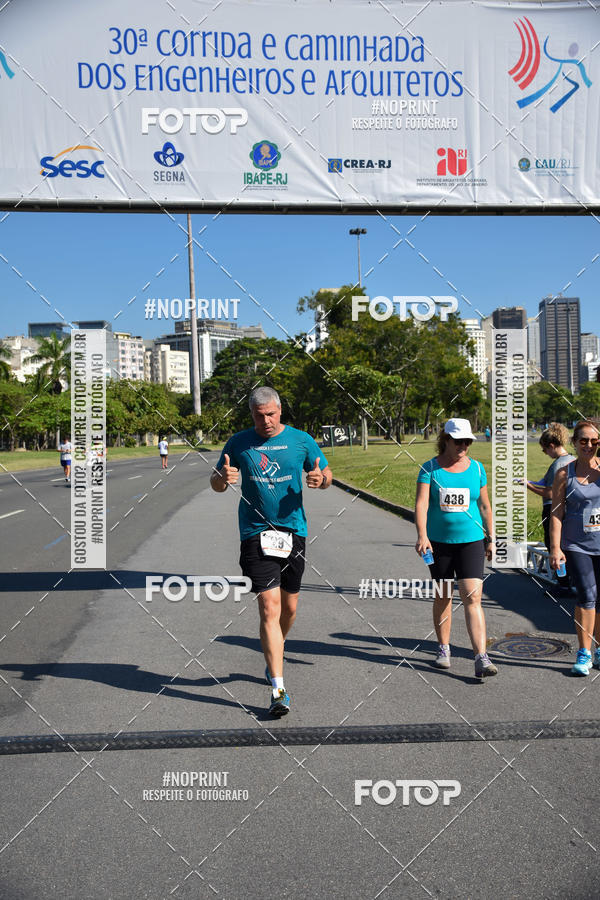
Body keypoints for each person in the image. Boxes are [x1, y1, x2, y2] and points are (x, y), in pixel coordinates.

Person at [210, 386, 332, 717]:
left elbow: (326, 473)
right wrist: (222, 478)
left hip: (293, 531)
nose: (265, 421)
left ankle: (276, 645)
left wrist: (321, 479)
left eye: (271, 414)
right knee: (269, 606)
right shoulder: (239, 442)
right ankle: (278, 689)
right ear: (251, 414)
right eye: (259, 415)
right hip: (255, 532)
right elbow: (216, 482)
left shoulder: (301, 440)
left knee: (289, 609)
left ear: (280, 411)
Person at [414, 418, 497, 678]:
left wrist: (491, 537)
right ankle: (443, 647)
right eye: (458, 441)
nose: (463, 446)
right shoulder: (429, 469)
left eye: (467, 442)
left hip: (471, 540)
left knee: (473, 596)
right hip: (439, 544)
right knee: (444, 595)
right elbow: (422, 504)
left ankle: (481, 657)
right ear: (446, 440)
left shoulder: (478, 469)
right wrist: (422, 536)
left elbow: (485, 506)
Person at [549, 420, 600, 676]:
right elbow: (557, 513)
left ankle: (598, 648)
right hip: (577, 545)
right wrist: (555, 548)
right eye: (583, 441)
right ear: (575, 443)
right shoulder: (564, 474)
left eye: (594, 441)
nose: (589, 445)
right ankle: (584, 652)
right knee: (587, 596)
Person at [526, 423, 574, 587]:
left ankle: (563, 583)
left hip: (552, 509)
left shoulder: (558, 465)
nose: (545, 453)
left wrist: (528, 486)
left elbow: (552, 494)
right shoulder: (571, 459)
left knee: (554, 546)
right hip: (568, 509)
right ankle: (567, 579)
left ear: (551, 446)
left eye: (544, 450)